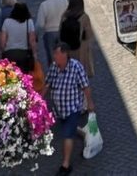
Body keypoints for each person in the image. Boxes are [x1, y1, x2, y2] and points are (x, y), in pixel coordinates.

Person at [45, 42, 94, 175]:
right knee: (68, 130)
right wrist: (38, 100)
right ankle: (81, 133)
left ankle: (65, 165)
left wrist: (90, 103)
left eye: (57, 54)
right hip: (59, 110)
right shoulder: (54, 67)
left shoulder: (76, 67)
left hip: (72, 108)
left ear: (65, 55)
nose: (54, 56)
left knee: (67, 135)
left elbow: (85, 86)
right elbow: (47, 83)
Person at [60, 0, 95, 76]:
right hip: (80, 49)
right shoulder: (84, 17)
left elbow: (60, 32)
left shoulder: (64, 16)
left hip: (68, 49)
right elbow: (89, 35)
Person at [0, 2, 38, 73]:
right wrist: (35, 54)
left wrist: (2, 51)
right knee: (24, 77)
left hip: (9, 53)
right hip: (24, 54)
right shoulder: (29, 22)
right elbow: (32, 41)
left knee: (10, 76)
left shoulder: (7, 22)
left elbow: (2, 41)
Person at [36, 0, 69, 66]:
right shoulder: (63, 0)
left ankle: (54, 73)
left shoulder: (44, 5)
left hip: (50, 33)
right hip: (63, 31)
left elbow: (40, 24)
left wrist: (36, 34)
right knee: (64, 53)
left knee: (52, 56)